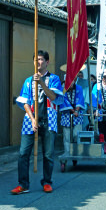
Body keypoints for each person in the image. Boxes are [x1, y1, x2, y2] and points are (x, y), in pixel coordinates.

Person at [11, 50, 64, 194]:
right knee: (23, 153)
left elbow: (54, 97)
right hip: (31, 119)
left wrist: (41, 82)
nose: (38, 62)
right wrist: (33, 119)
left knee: (48, 154)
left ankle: (47, 181)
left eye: (40, 59)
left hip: (49, 119)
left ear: (47, 62)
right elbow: (25, 102)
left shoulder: (53, 79)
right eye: (36, 60)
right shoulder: (28, 81)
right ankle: (23, 184)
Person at [59, 77, 85, 155]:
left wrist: (76, 110)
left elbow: (80, 99)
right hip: (66, 114)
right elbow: (64, 101)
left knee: (76, 134)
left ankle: (77, 151)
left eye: (71, 81)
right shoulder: (62, 89)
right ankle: (67, 153)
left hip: (77, 114)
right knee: (67, 136)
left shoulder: (79, 88)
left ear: (74, 80)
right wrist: (72, 111)